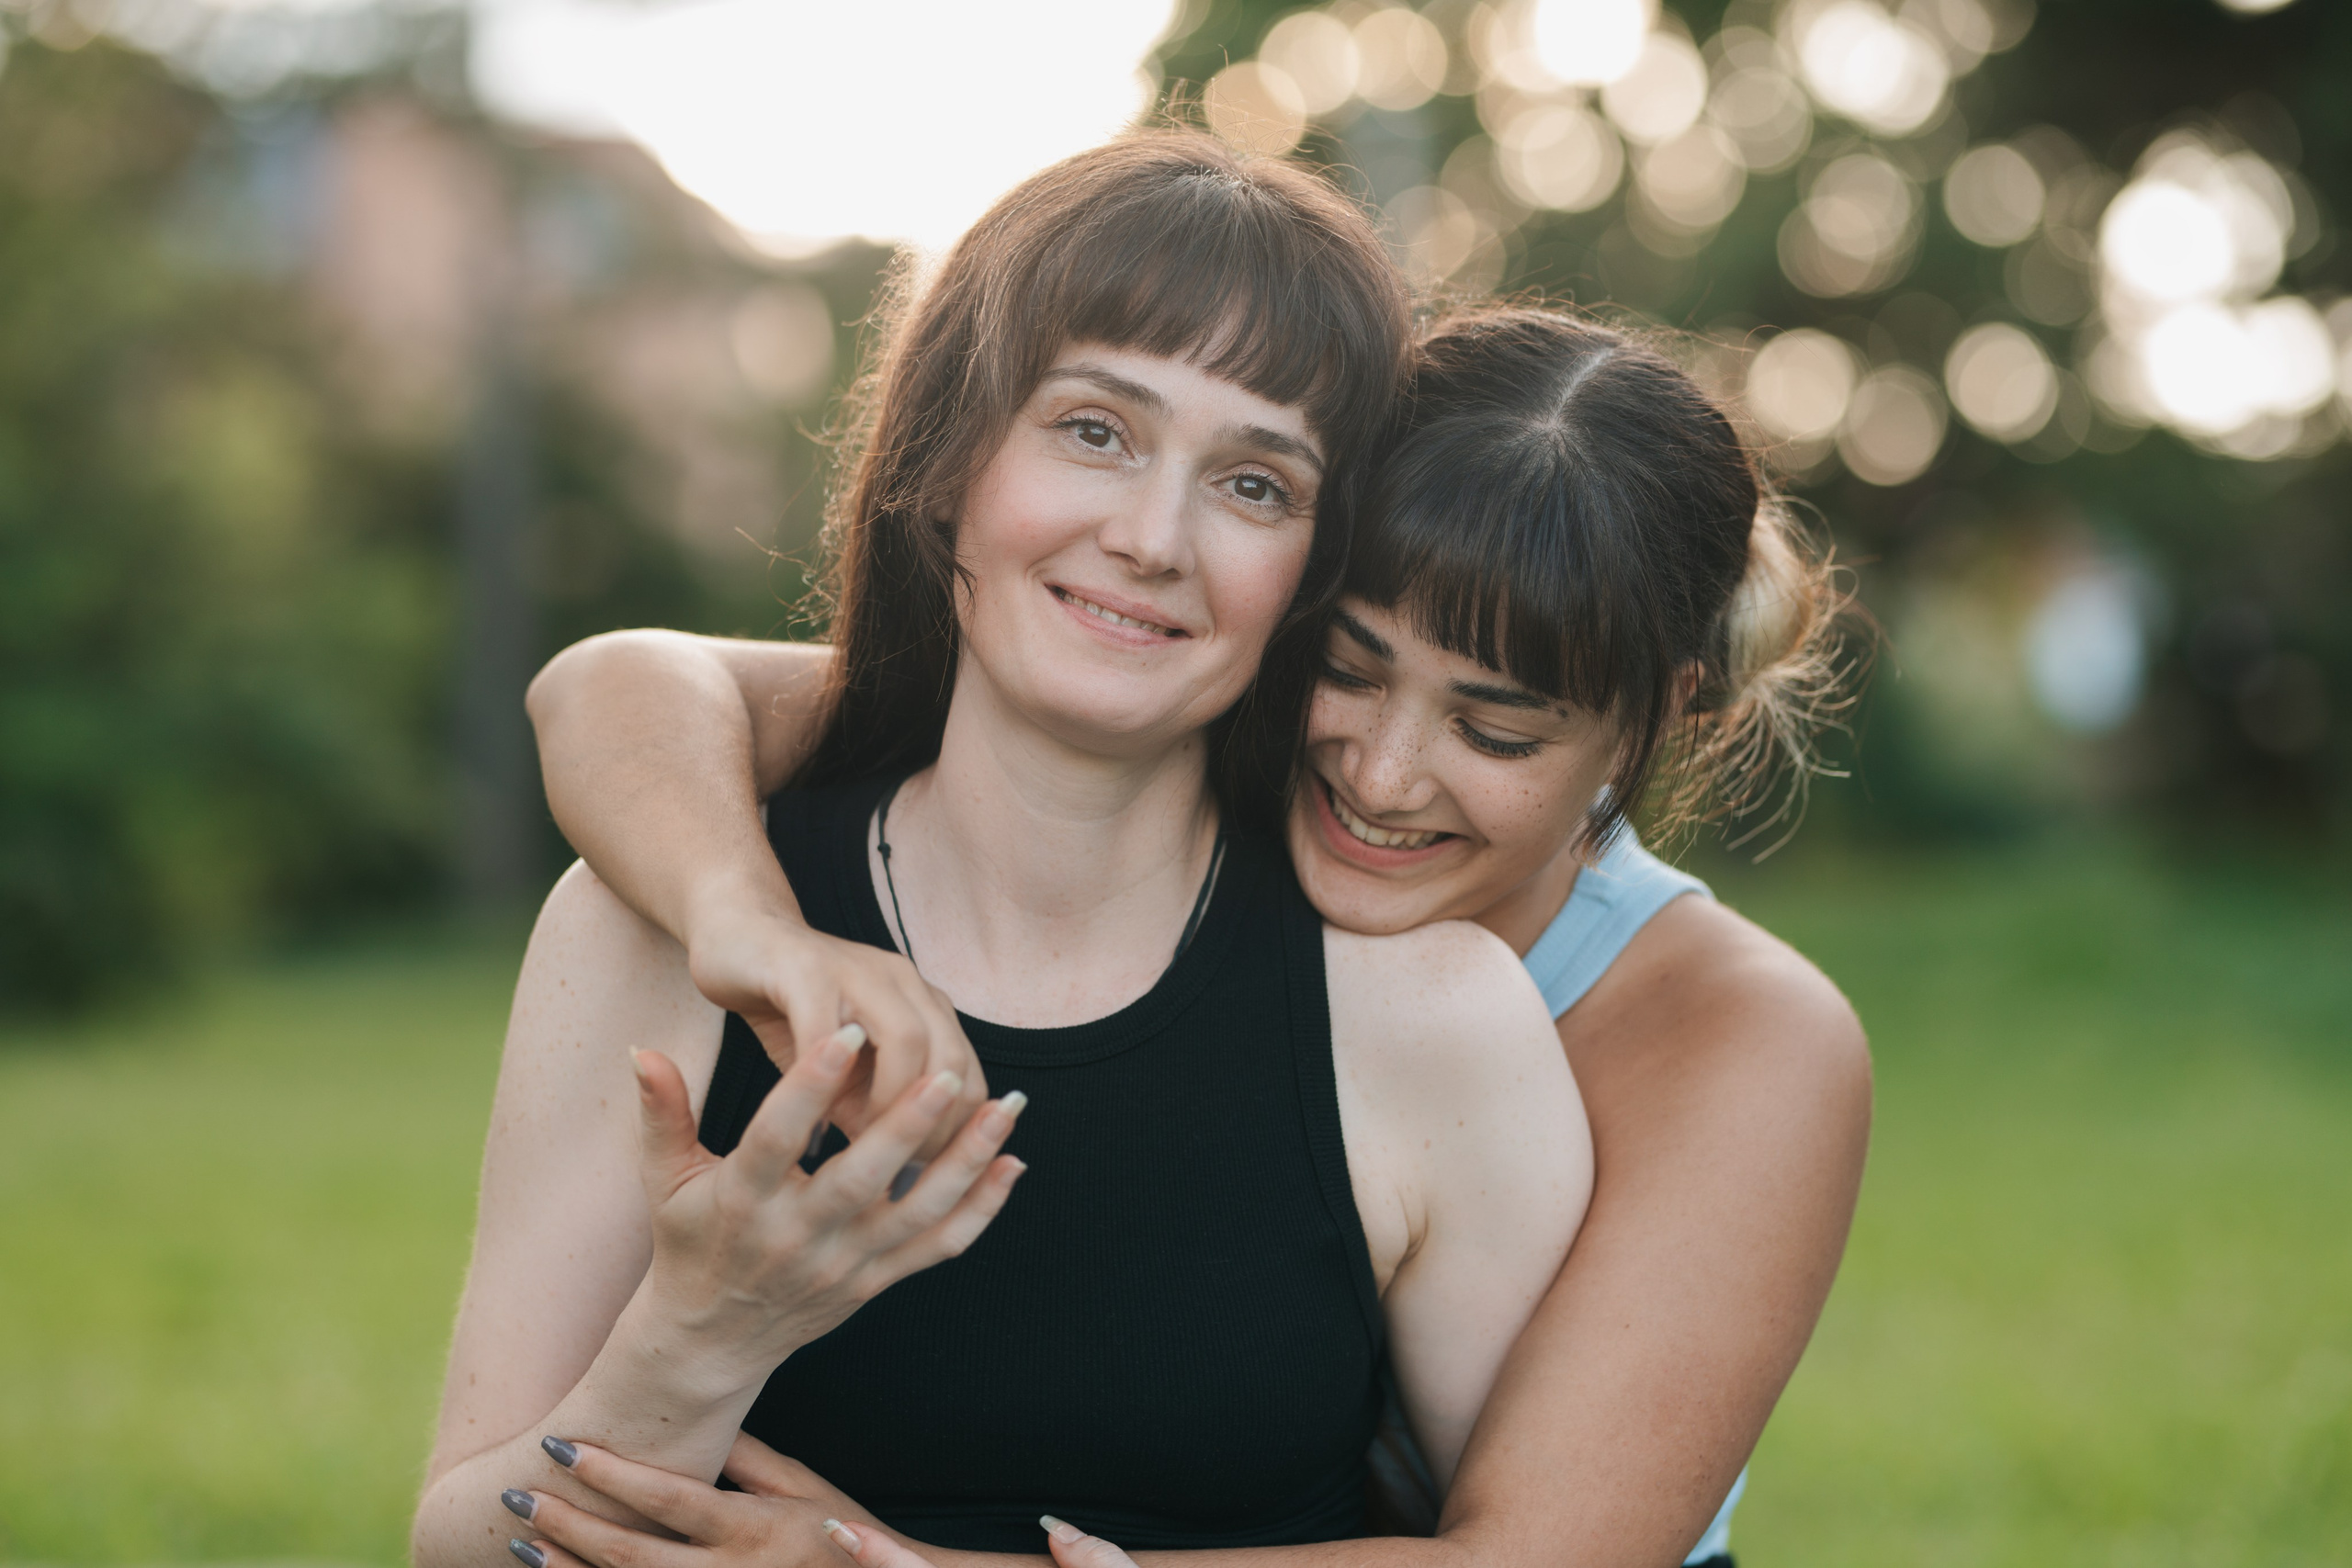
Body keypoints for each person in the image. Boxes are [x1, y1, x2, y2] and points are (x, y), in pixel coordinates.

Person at [510, 304, 1873, 1568]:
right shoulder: (1178, 749)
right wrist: (748, 927)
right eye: (1346, 667)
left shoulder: (1743, 1035)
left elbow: (1546, 1557)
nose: (1384, 776)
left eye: (1495, 729)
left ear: (1661, 716)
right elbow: (623, 686)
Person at [413, 132, 1593, 1567]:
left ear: (1312, 576)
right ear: (948, 459)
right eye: (1095, 430)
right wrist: (696, 1342)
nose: (1153, 538)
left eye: (1255, 485)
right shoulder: (643, 931)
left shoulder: (1436, 1026)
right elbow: (461, 1551)